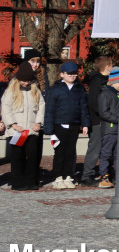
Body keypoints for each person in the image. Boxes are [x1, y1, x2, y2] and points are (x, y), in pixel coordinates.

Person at [43, 61, 90, 189]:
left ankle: (68, 176)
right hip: (59, 126)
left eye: (75, 73)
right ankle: (58, 177)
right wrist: (49, 129)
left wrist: (85, 124)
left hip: (74, 126)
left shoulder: (80, 89)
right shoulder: (55, 90)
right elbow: (50, 110)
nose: (72, 76)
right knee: (59, 152)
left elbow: (84, 108)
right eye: (69, 74)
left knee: (70, 152)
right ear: (62, 74)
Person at [2, 62, 45, 190]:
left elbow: (41, 106)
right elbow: (5, 108)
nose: (26, 83)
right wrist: (12, 124)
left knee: (33, 154)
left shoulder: (35, 89)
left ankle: (31, 180)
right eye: (23, 81)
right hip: (17, 131)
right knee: (17, 156)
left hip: (31, 129)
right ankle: (17, 182)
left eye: (28, 81)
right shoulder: (11, 90)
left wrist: (38, 122)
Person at [81, 56, 111, 186]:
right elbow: (93, 102)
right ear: (107, 67)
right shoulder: (97, 81)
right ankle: (87, 175)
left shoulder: (105, 81)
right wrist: (99, 117)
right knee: (95, 148)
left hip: (105, 119)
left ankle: (105, 173)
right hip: (97, 121)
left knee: (106, 148)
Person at [96, 67, 119, 189]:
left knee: (117, 154)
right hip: (109, 130)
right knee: (106, 153)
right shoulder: (106, 94)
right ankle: (103, 177)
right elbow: (104, 113)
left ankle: (117, 176)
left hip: (117, 130)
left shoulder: (117, 94)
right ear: (114, 81)